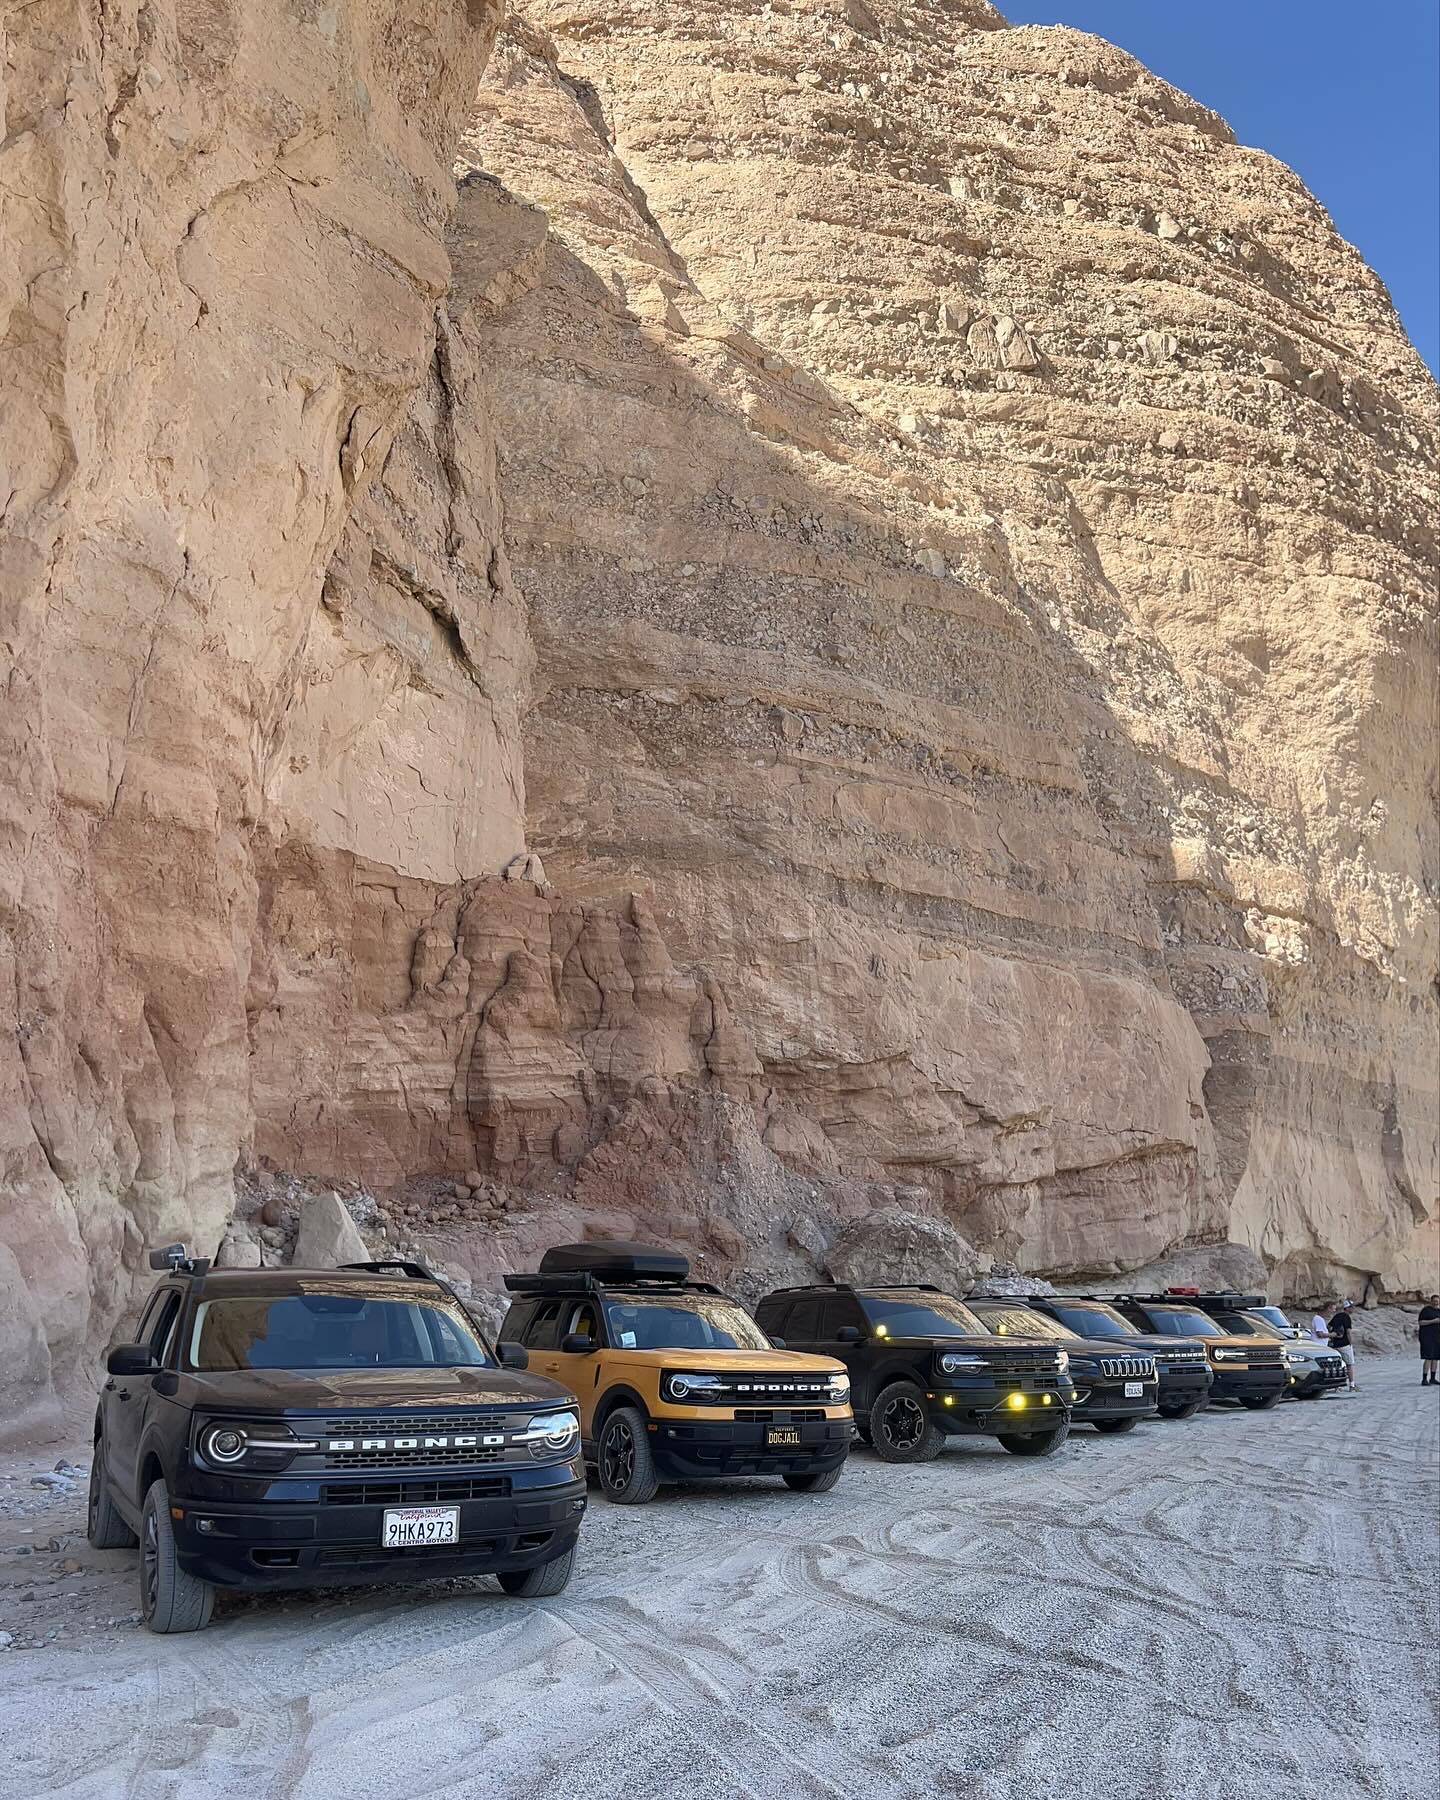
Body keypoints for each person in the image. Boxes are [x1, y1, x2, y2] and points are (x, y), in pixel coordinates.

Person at [1328, 1301, 1357, 1391]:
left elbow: (1328, 1326)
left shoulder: (1337, 1316)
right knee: (1349, 1364)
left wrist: (1333, 1335)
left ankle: (1337, 1386)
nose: (1353, 1308)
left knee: (1338, 1365)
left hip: (1335, 1344)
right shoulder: (1346, 1317)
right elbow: (1348, 1332)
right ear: (1347, 1308)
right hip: (1344, 1344)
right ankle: (1352, 1385)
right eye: (1351, 1307)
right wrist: (1350, 1343)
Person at [1419, 1295, 1440, 1387]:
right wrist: (1433, 1321)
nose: (1436, 1302)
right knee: (1428, 1357)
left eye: (1437, 1301)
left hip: (1437, 1338)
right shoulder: (1426, 1310)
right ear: (1431, 1301)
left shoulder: (1439, 1311)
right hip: (1427, 1337)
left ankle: (1432, 1378)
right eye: (1434, 1301)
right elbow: (1420, 1322)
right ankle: (1424, 1379)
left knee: (1435, 1358)